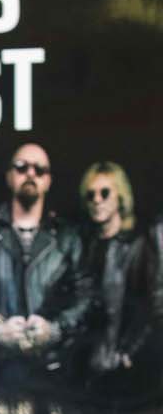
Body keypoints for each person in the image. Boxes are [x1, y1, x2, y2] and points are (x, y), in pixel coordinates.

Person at [0, 143, 96, 414]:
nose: (31, 174)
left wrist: (55, 329)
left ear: (48, 181)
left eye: (39, 170)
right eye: (22, 167)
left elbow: (86, 296)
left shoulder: (68, 237)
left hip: (53, 375)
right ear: (9, 176)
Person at [78, 160, 156, 396]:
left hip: (123, 367)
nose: (97, 200)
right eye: (90, 194)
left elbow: (149, 306)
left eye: (104, 193)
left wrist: (127, 353)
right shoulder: (84, 244)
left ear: (120, 197)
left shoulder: (138, 245)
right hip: (87, 365)